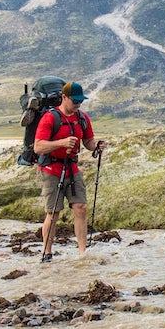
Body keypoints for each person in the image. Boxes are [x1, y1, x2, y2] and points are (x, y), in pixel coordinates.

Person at [33, 81, 107, 261]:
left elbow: (88, 142)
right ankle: (47, 253)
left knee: (81, 208)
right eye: (75, 100)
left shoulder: (82, 118)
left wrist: (96, 146)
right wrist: (61, 143)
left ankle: (83, 253)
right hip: (51, 169)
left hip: (72, 168)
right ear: (64, 97)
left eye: (81, 101)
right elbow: (38, 147)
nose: (78, 104)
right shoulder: (50, 117)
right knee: (53, 212)